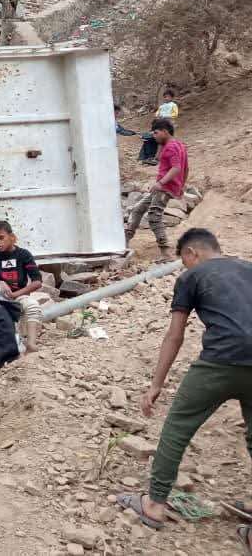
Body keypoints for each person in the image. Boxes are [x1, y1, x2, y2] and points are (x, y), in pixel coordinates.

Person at [116, 228, 252, 541]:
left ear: (191, 253)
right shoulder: (248, 269)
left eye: (184, 262)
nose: (186, 267)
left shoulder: (192, 276)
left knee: (177, 428)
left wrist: (156, 384)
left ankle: (154, 504)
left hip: (219, 361)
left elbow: (175, 335)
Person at [126, 118, 188, 260]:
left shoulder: (171, 147)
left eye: (156, 133)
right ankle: (124, 240)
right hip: (165, 186)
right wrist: (181, 185)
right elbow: (186, 168)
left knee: (154, 215)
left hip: (164, 187)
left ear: (165, 132)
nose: (154, 136)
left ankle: (166, 251)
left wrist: (161, 183)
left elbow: (176, 168)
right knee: (137, 209)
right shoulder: (179, 145)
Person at [0, 221, 43, 352]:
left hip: (18, 296)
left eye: (1, 237)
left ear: (12, 237)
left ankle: (31, 344)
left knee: (33, 306)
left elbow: (37, 281)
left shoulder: (23, 255)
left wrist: (16, 295)